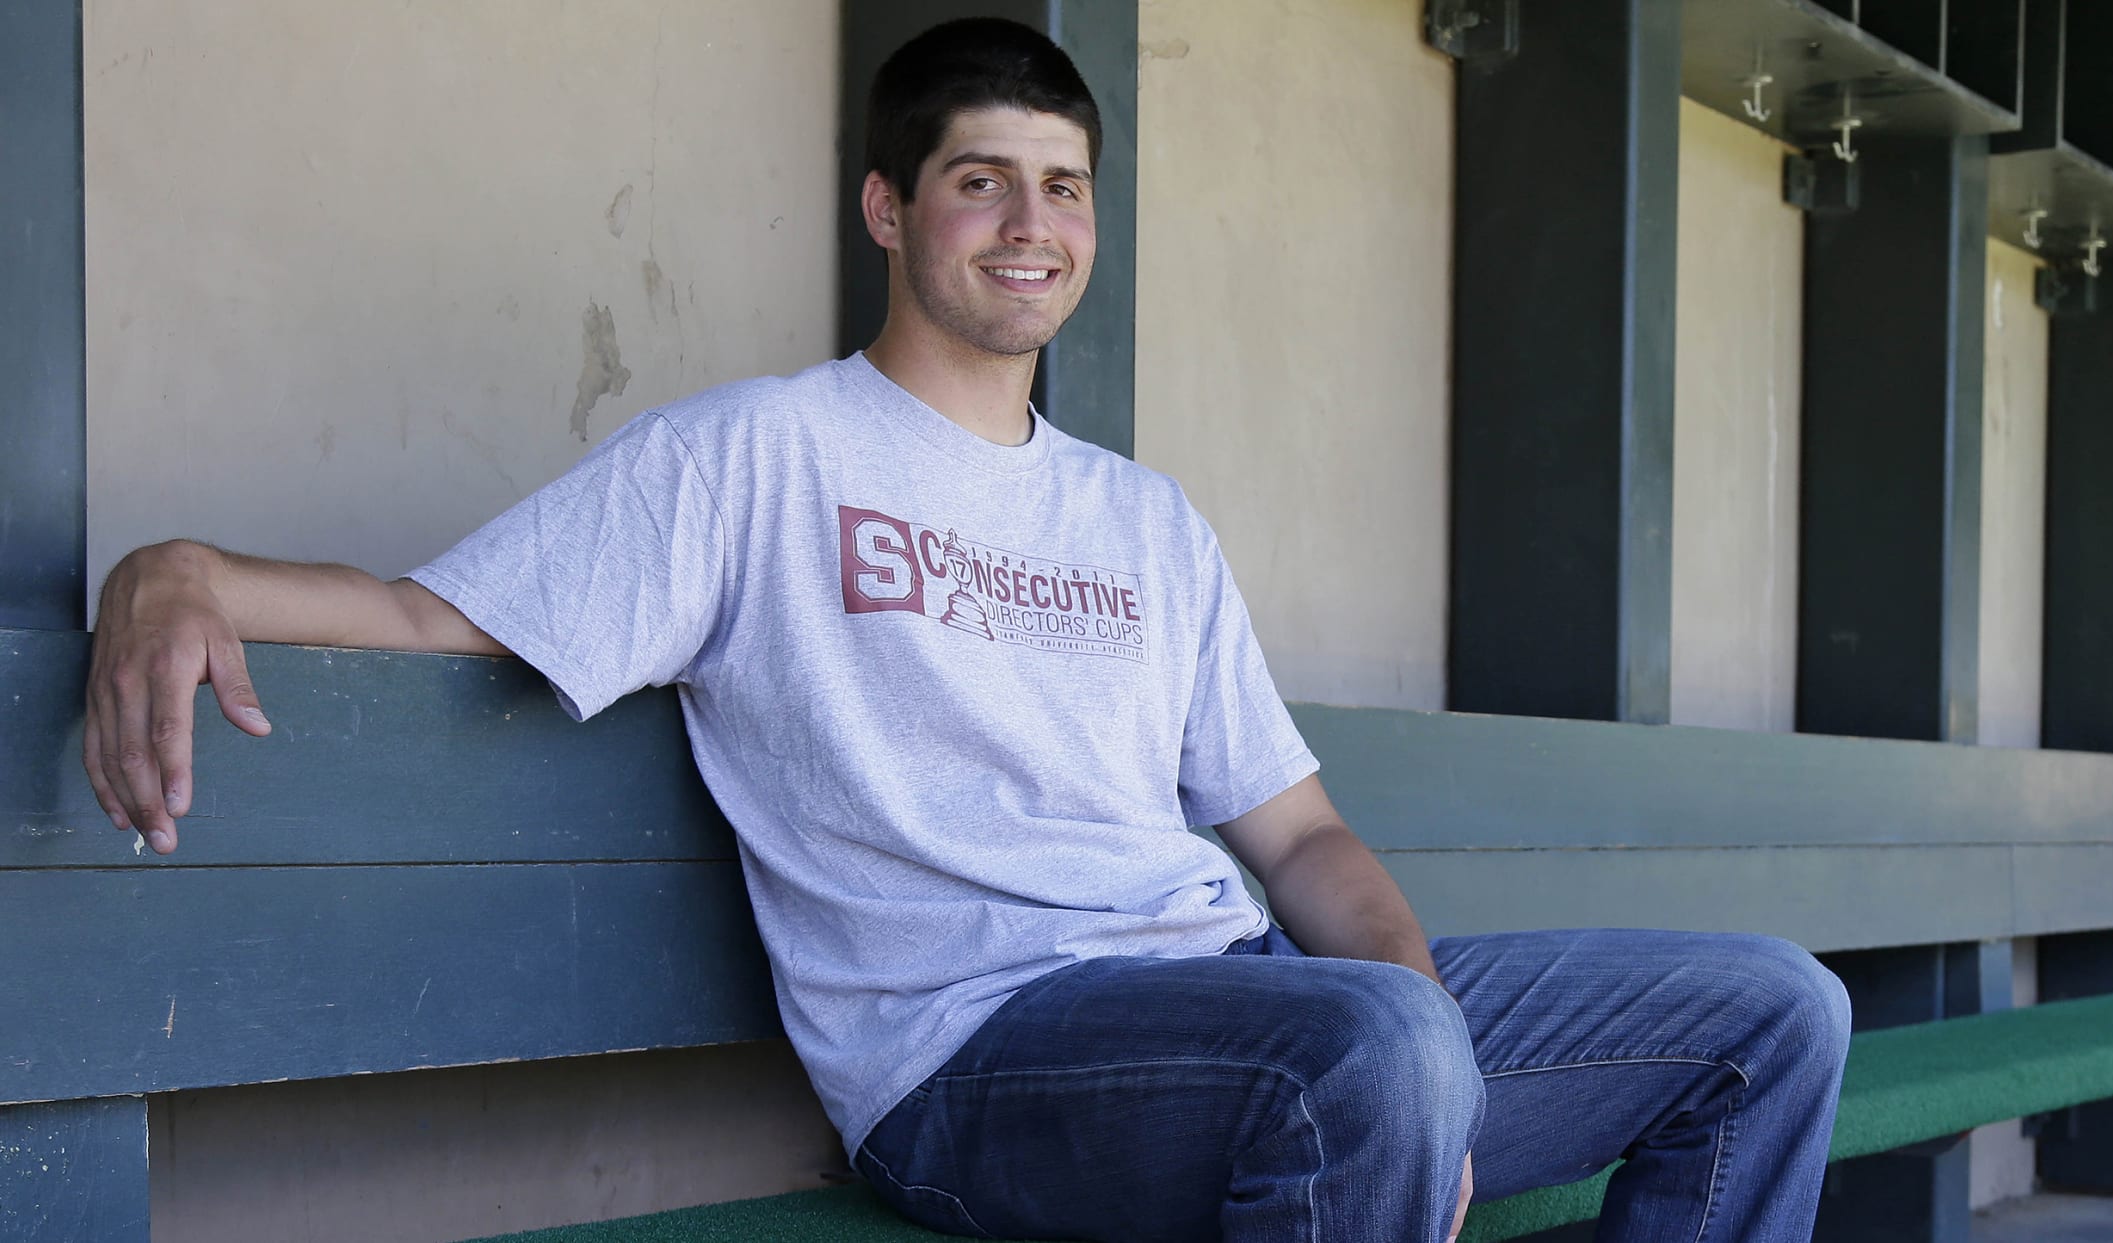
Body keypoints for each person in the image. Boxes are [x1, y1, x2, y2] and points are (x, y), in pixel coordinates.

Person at [83, 17, 1849, 1242]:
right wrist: (184, 567)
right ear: (890, 210)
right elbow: (429, 613)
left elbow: (1298, 833)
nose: (1032, 224)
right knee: (1368, 1057)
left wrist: (1432, 1040)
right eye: (983, 181)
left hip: (1253, 1012)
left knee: (1775, 1012)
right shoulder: (759, 456)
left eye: (1064, 186)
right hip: (976, 1068)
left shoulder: (1142, 518)